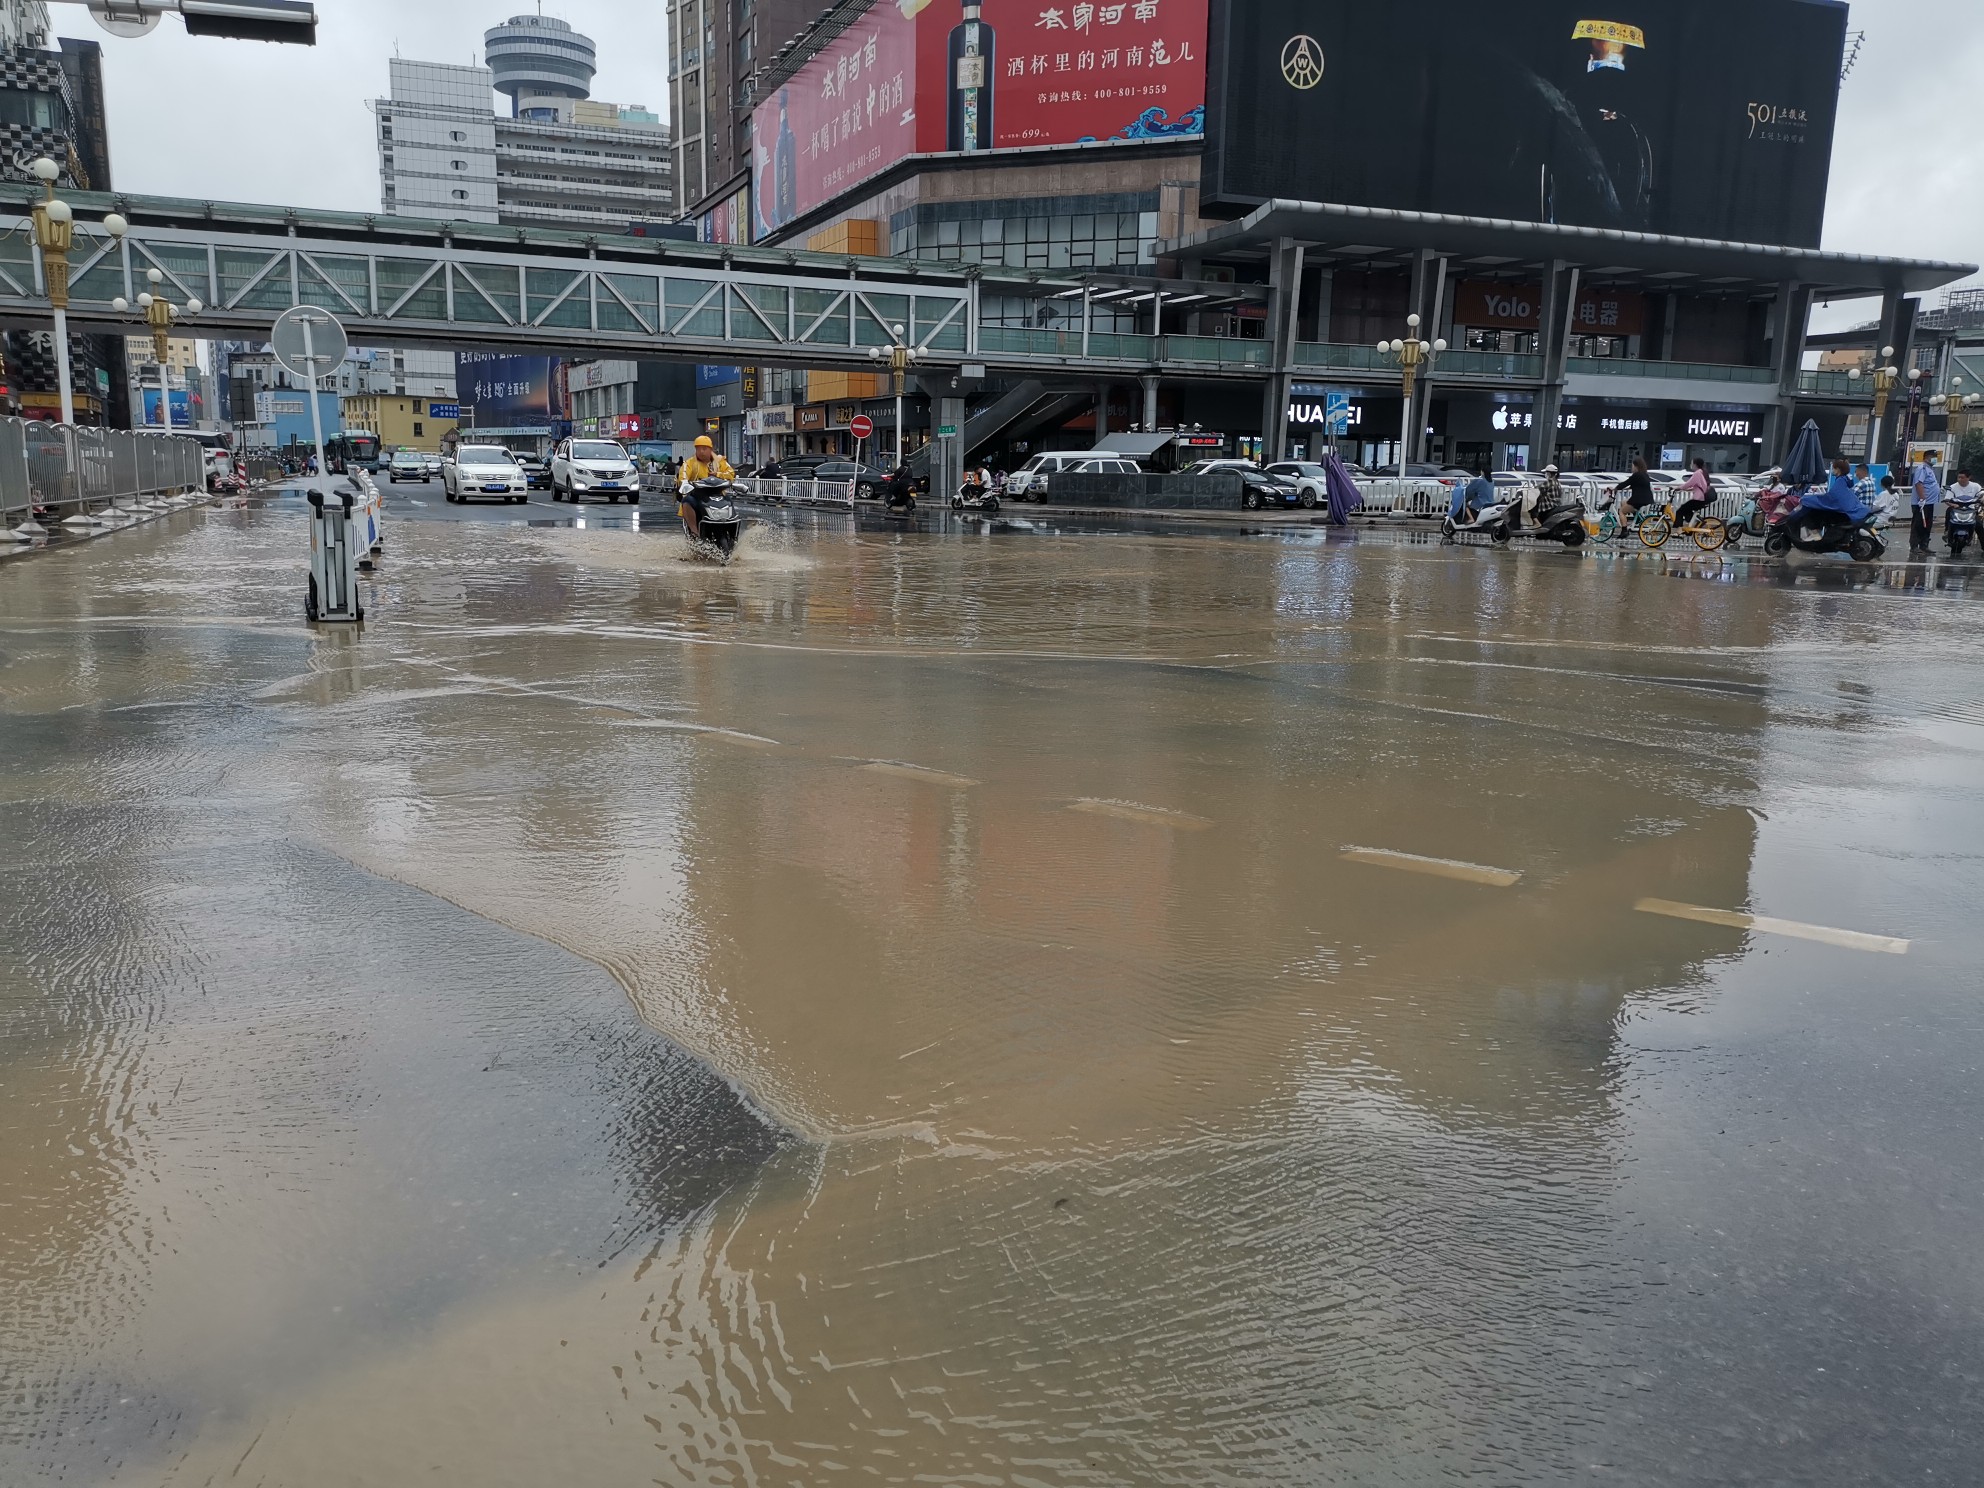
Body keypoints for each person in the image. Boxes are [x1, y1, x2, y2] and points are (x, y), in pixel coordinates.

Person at [677, 435, 735, 541]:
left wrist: (718, 474)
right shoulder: (689, 463)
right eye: (698, 449)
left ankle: (733, 533)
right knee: (687, 500)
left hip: (718, 497)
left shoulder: (720, 461)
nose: (701, 452)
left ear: (710, 449)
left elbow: (731, 474)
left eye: (704, 448)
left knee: (729, 502)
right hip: (698, 497)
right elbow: (683, 475)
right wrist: (684, 483)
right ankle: (695, 533)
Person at [1801, 457, 1872, 524]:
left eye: (1834, 468)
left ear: (1838, 470)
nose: (1832, 470)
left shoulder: (1840, 481)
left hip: (1850, 515)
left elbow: (1830, 497)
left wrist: (1807, 499)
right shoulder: (1846, 481)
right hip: (1860, 512)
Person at [1911, 454, 1942, 554]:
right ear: (1927, 457)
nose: (1935, 459)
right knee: (1918, 525)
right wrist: (1922, 498)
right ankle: (1914, 546)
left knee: (1927, 525)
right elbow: (1918, 483)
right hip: (1922, 503)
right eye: (1933, 456)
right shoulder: (1922, 468)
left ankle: (1924, 545)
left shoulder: (1930, 469)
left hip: (1930, 502)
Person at [1611, 458, 1656, 523]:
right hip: (1646, 499)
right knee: (1623, 502)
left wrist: (1615, 488)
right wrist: (1626, 488)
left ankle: (1624, 530)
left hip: (1638, 500)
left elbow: (1625, 483)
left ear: (1636, 466)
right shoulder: (1645, 475)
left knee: (1621, 512)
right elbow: (1637, 485)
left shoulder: (1636, 475)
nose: (1632, 468)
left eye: (1632, 466)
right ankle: (1637, 518)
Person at [1674, 458, 1713, 528]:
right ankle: (1692, 527)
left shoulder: (1697, 473)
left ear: (1695, 464)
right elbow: (1697, 486)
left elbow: (1689, 483)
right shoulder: (1701, 472)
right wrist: (1687, 490)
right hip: (1701, 499)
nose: (1691, 465)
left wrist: (1679, 488)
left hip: (1698, 499)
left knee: (1679, 511)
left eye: (1692, 463)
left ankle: (1678, 530)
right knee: (1687, 511)